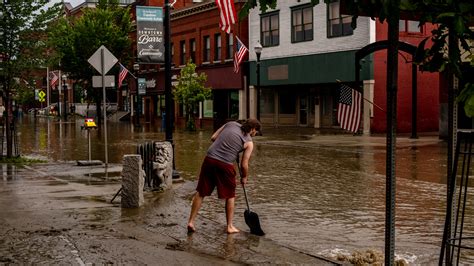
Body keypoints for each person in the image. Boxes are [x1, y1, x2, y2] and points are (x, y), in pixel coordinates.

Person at [187, 118, 261, 234]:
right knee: (230, 195)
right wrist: (244, 177)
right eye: (255, 132)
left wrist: (229, 145)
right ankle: (229, 226)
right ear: (252, 129)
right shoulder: (249, 142)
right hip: (225, 164)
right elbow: (244, 164)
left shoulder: (230, 124)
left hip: (209, 159)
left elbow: (213, 138)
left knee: (201, 191)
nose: (254, 135)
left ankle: (191, 222)